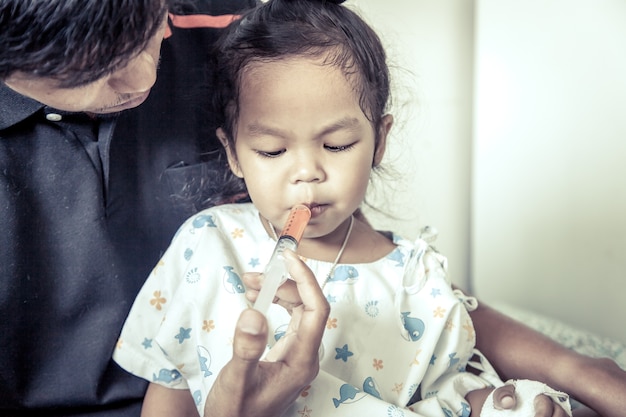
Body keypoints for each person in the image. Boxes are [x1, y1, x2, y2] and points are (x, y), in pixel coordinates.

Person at [0, 0, 624, 416]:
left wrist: (549, 380)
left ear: (379, 141)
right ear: (235, 154)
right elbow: (169, 383)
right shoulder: (205, 246)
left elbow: (449, 366)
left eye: (337, 144)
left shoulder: (411, 265)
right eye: (271, 149)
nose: (307, 173)